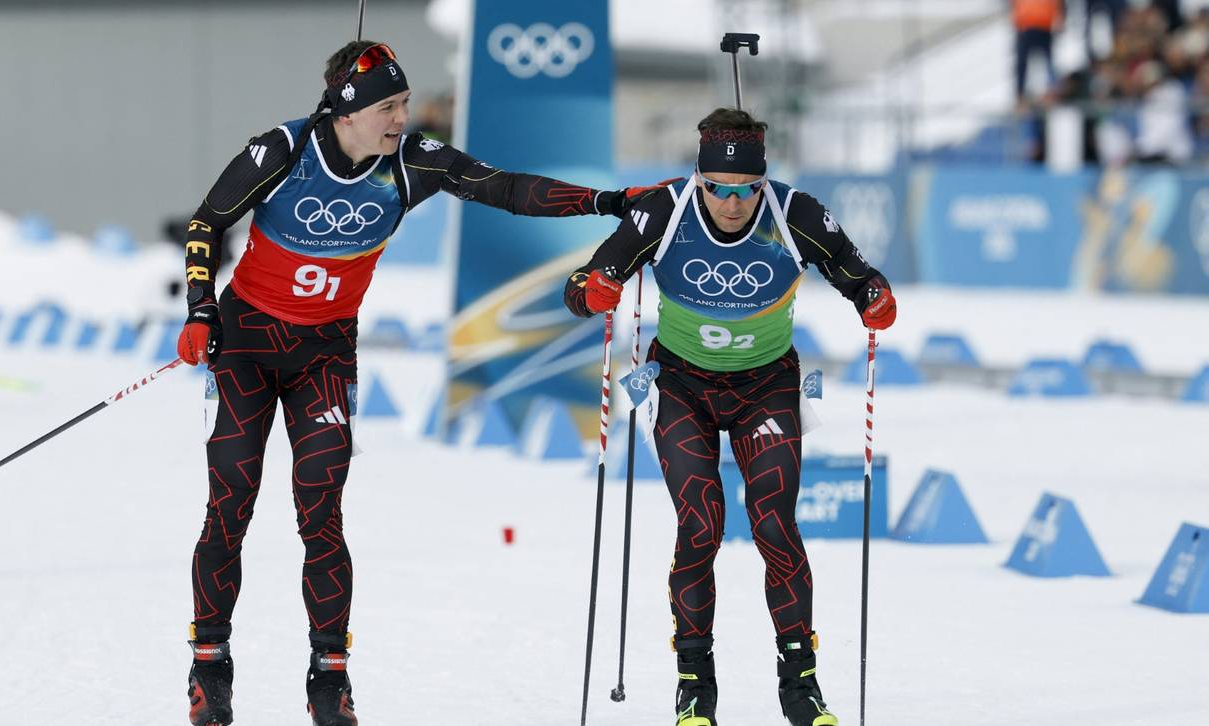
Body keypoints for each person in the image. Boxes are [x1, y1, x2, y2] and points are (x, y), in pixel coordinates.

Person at [176, 39, 658, 726]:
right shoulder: (282, 150)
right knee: (231, 506)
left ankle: (329, 678)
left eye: (404, 103)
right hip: (247, 348)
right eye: (388, 107)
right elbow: (207, 223)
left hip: (324, 355)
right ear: (346, 112)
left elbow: (507, 188)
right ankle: (209, 666)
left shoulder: (413, 163)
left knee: (321, 513)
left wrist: (608, 200)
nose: (404, 117)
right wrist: (200, 307)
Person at [560, 108, 897, 726]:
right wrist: (594, 292)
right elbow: (580, 287)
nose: (733, 203)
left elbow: (853, 269)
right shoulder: (664, 210)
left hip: (768, 387)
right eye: (718, 188)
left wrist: (874, 295)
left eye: (746, 191)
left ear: (762, 185)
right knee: (702, 523)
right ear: (700, 178)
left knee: (774, 525)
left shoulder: (794, 213)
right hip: (681, 385)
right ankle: (694, 684)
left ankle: (801, 685)